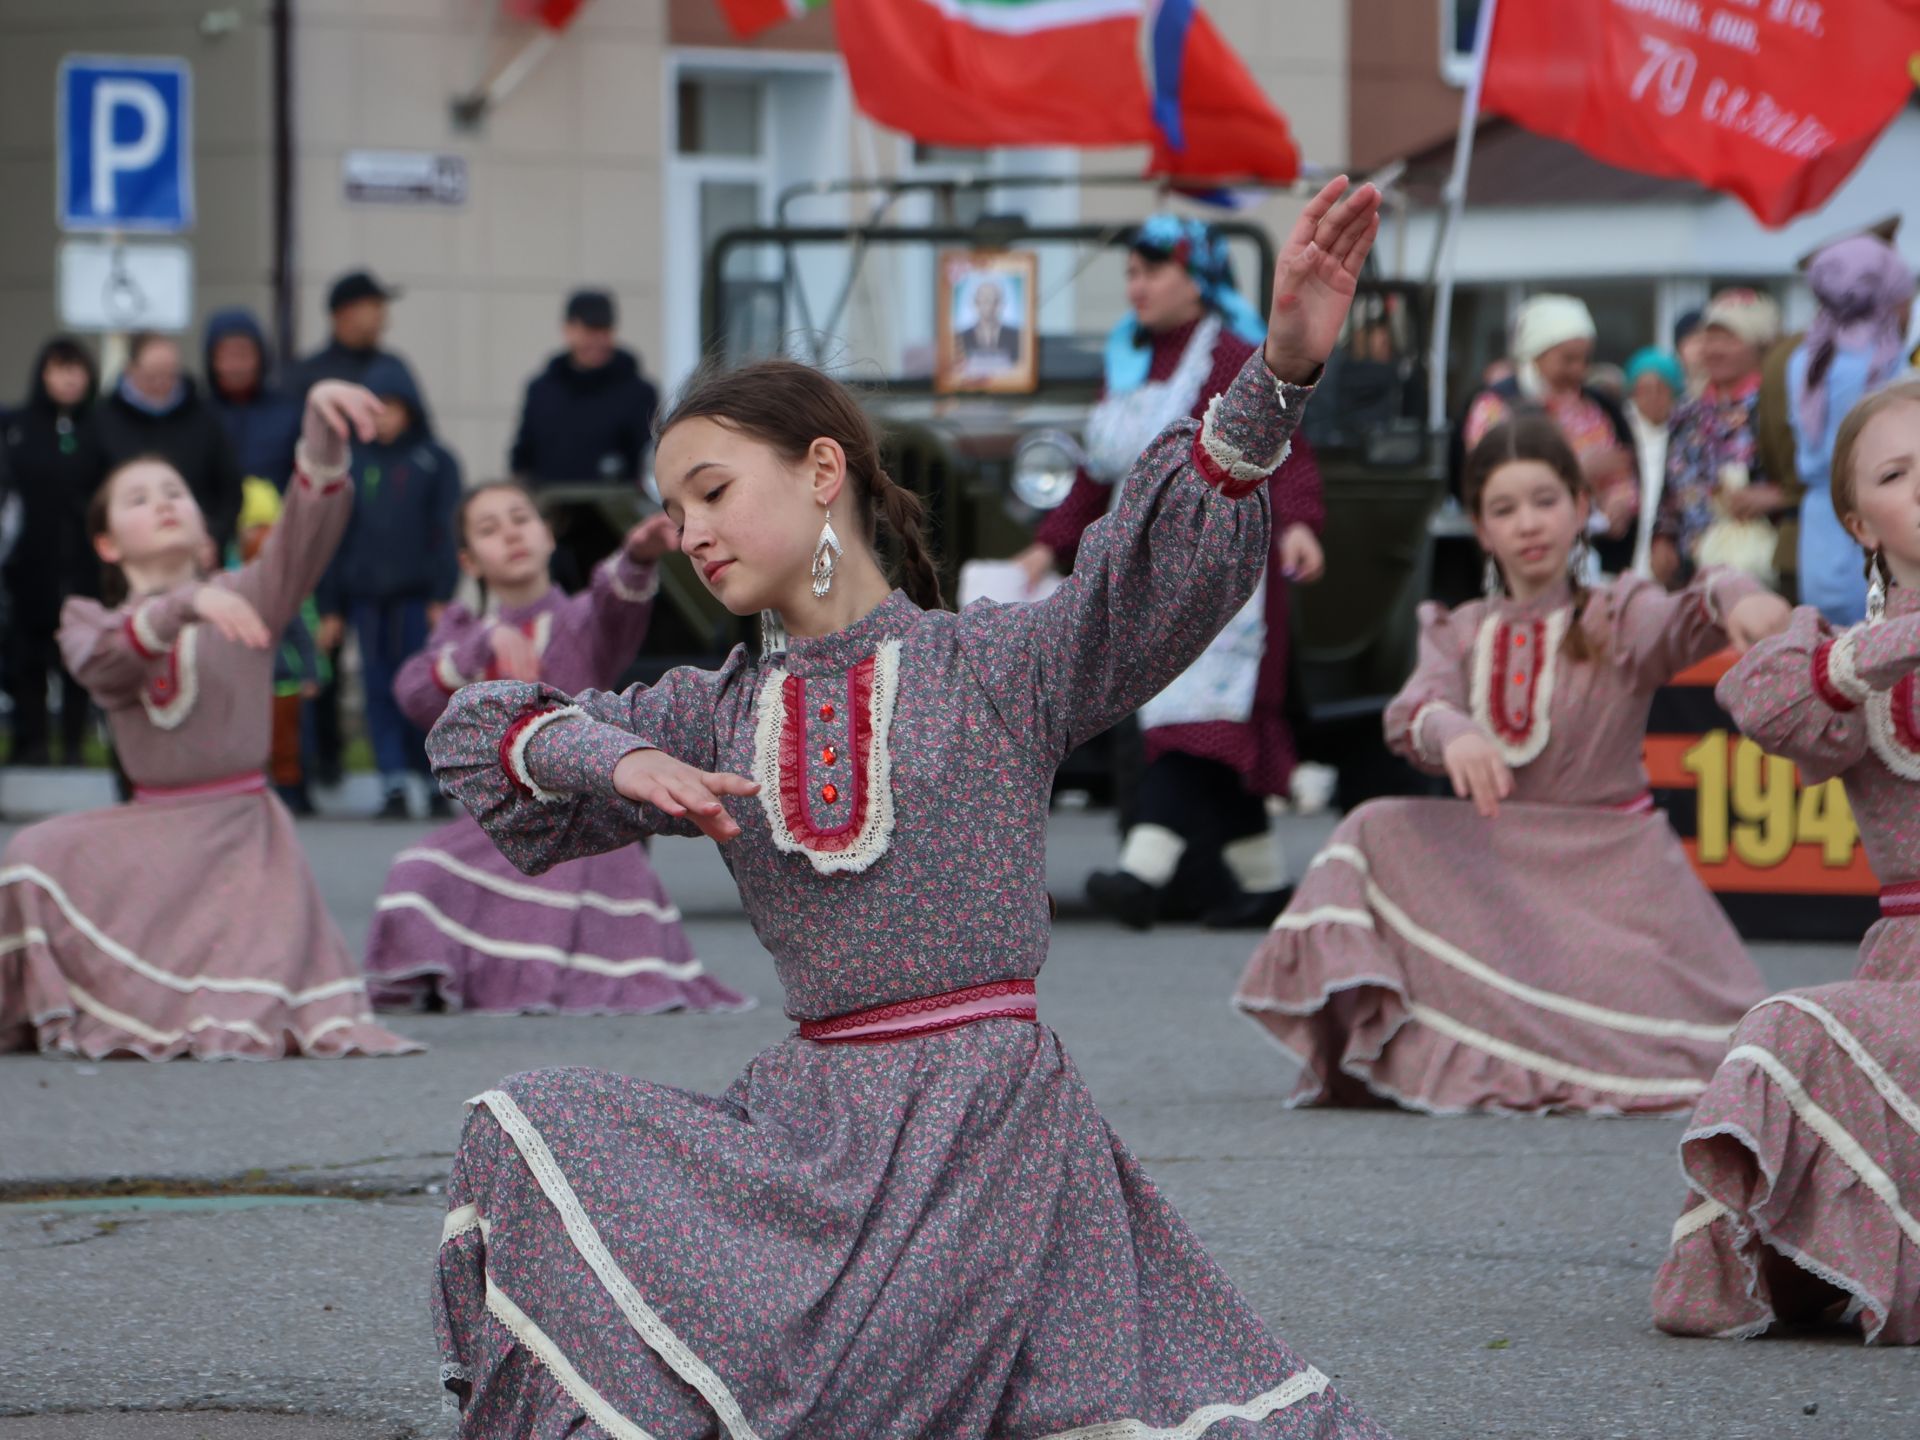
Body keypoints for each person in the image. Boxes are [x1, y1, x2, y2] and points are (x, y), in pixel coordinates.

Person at [424, 179, 1393, 1438]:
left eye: (715, 490)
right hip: (811, 1145)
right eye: (676, 507)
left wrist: (1281, 368)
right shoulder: (716, 713)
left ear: (822, 470)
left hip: (991, 1145)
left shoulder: (992, 667)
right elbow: (476, 732)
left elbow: (1153, 577)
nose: (692, 529)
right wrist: (607, 762)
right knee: (520, 1125)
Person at [1234, 415, 1791, 1114]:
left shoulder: (1619, 613)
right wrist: (1454, 731)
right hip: (1498, 868)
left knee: (1712, 1053)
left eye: (1545, 501)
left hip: (1611, 875)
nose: (1528, 523)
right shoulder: (1460, 628)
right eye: (1504, 509)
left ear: (1581, 508)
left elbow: (1687, 615)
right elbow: (1414, 709)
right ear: (1481, 528)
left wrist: (1737, 593)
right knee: (1374, 826)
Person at [0, 385, 419, 1061]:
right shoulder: (90, 620)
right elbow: (105, 668)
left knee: (240, 1000)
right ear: (107, 544)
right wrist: (181, 606)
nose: (164, 501)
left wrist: (320, 432)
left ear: (204, 527)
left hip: (241, 836)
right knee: (28, 858)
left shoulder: (253, 592)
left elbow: (306, 530)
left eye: (175, 492)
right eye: (139, 498)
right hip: (146, 834)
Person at [1652, 380, 1920, 1344]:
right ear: (1859, 521)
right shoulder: (1841, 666)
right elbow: (1758, 700)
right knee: (1783, 1028)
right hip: (1910, 981)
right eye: (1898, 473)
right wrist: (1888, 644)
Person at [1014, 214, 1324, 931]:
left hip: (1223, 569)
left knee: (1195, 720)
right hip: (1149, 570)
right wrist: (1045, 547)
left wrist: (1302, 524)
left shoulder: (1237, 358)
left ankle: (1140, 873)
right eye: (1130, 272)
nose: (1138, 285)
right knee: (1193, 722)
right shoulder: (1128, 366)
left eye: (1153, 270)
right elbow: (1097, 477)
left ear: (1199, 278)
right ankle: (1265, 887)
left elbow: (1290, 448)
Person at [363, 482, 751, 1017]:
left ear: (548, 535)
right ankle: (477, 972)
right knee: (415, 869)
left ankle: (511, 974)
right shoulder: (462, 636)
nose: (511, 533)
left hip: (588, 824)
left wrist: (637, 556)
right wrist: (481, 648)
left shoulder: (579, 622)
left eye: (520, 518)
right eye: (490, 528)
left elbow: (615, 606)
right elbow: (413, 694)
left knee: (567, 888)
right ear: (470, 561)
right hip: (496, 833)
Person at [317, 356, 462, 821]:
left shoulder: (433, 461)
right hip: (366, 602)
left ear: (411, 410)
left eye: (393, 409)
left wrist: (443, 592)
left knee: (423, 691)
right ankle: (393, 780)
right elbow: (333, 538)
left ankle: (433, 776)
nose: (384, 420)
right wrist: (331, 607)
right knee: (378, 688)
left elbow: (447, 531)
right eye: (375, 410)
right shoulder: (351, 464)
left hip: (419, 600)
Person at [1786, 235, 1916, 626]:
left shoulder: (1804, 359)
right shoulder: (1889, 363)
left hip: (1823, 524)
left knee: (1839, 650)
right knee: (1886, 644)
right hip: (1884, 522)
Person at [1459, 295, 1638, 574]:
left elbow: (1620, 470)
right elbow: (1488, 480)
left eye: (1585, 358)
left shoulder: (1595, 408)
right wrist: (1579, 470)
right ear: (1536, 354)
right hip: (1523, 553)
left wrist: (1621, 502)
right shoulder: (1496, 407)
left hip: (1588, 554)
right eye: (1567, 359)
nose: (1579, 369)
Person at [1, 337, 107, 766]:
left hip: (85, 566)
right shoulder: (16, 427)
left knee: (79, 659)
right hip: (29, 565)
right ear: (42, 375)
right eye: (57, 369)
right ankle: (34, 743)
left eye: (75, 369)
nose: (67, 379)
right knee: (29, 657)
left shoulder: (100, 429)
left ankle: (75, 747)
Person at [1652, 289, 1786, 589]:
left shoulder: (1777, 408)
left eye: (1729, 339)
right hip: (1692, 569)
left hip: (1756, 568)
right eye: (1709, 338)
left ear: (1760, 346)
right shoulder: (1687, 413)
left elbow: (1805, 484)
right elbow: (1670, 490)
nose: (1714, 349)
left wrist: (1772, 497)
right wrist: (1662, 537)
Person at [93, 332, 243, 552]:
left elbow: (229, 489)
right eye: (151, 375)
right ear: (130, 370)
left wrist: (214, 538)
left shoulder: (204, 416)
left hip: (196, 549)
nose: (161, 383)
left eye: (170, 374)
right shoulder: (102, 418)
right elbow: (90, 494)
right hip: (126, 551)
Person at [234, 478, 326, 815]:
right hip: (253, 684)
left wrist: (311, 673)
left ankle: (294, 791)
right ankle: (266, 791)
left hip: (285, 680)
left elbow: (302, 637)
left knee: (291, 740)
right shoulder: (238, 590)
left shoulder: (285, 593)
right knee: (261, 741)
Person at [509, 289, 660, 490]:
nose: (597, 341)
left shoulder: (639, 393)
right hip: (552, 509)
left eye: (604, 331)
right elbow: (523, 455)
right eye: (589, 331)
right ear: (568, 330)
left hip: (620, 512)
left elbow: (649, 458)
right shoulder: (541, 390)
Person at [204, 307, 302, 492]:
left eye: (243, 354)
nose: (235, 366)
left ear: (261, 357)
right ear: (212, 361)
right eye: (226, 355)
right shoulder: (198, 413)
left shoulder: (290, 411)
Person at [288, 269, 414, 394]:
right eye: (375, 306)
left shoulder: (392, 368)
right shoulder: (307, 374)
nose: (382, 317)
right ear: (345, 312)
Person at [1623, 347, 1684, 578]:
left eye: (1662, 389)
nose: (1653, 397)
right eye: (1644, 390)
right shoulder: (1623, 436)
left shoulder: (1684, 436)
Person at [954, 276, 1022, 376]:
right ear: (975, 303)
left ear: (1000, 304)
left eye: (992, 299)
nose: (988, 305)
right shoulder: (960, 337)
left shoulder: (1017, 336)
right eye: (983, 300)